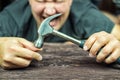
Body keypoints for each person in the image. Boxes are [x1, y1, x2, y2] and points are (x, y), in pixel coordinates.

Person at [0, 0, 120, 69]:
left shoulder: (85, 14)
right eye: (41, 0)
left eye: (59, 0)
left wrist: (115, 45)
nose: (50, 11)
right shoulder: (10, 17)